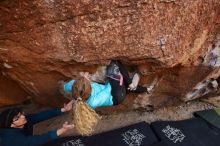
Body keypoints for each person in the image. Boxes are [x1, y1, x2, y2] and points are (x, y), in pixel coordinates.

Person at [61, 61, 148, 135]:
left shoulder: (72, 85)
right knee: (114, 65)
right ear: (90, 90)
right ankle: (131, 84)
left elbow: (67, 88)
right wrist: (117, 80)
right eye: (88, 81)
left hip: (110, 91)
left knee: (121, 84)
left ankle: (143, 89)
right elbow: (108, 88)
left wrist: (72, 101)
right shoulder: (94, 101)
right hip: (116, 96)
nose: (87, 78)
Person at [0, 100, 74, 146]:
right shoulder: (12, 139)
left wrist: (63, 109)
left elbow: (40, 116)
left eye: (21, 114)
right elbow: (36, 141)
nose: (23, 117)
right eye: (17, 118)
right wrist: (62, 130)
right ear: (11, 125)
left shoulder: (23, 120)